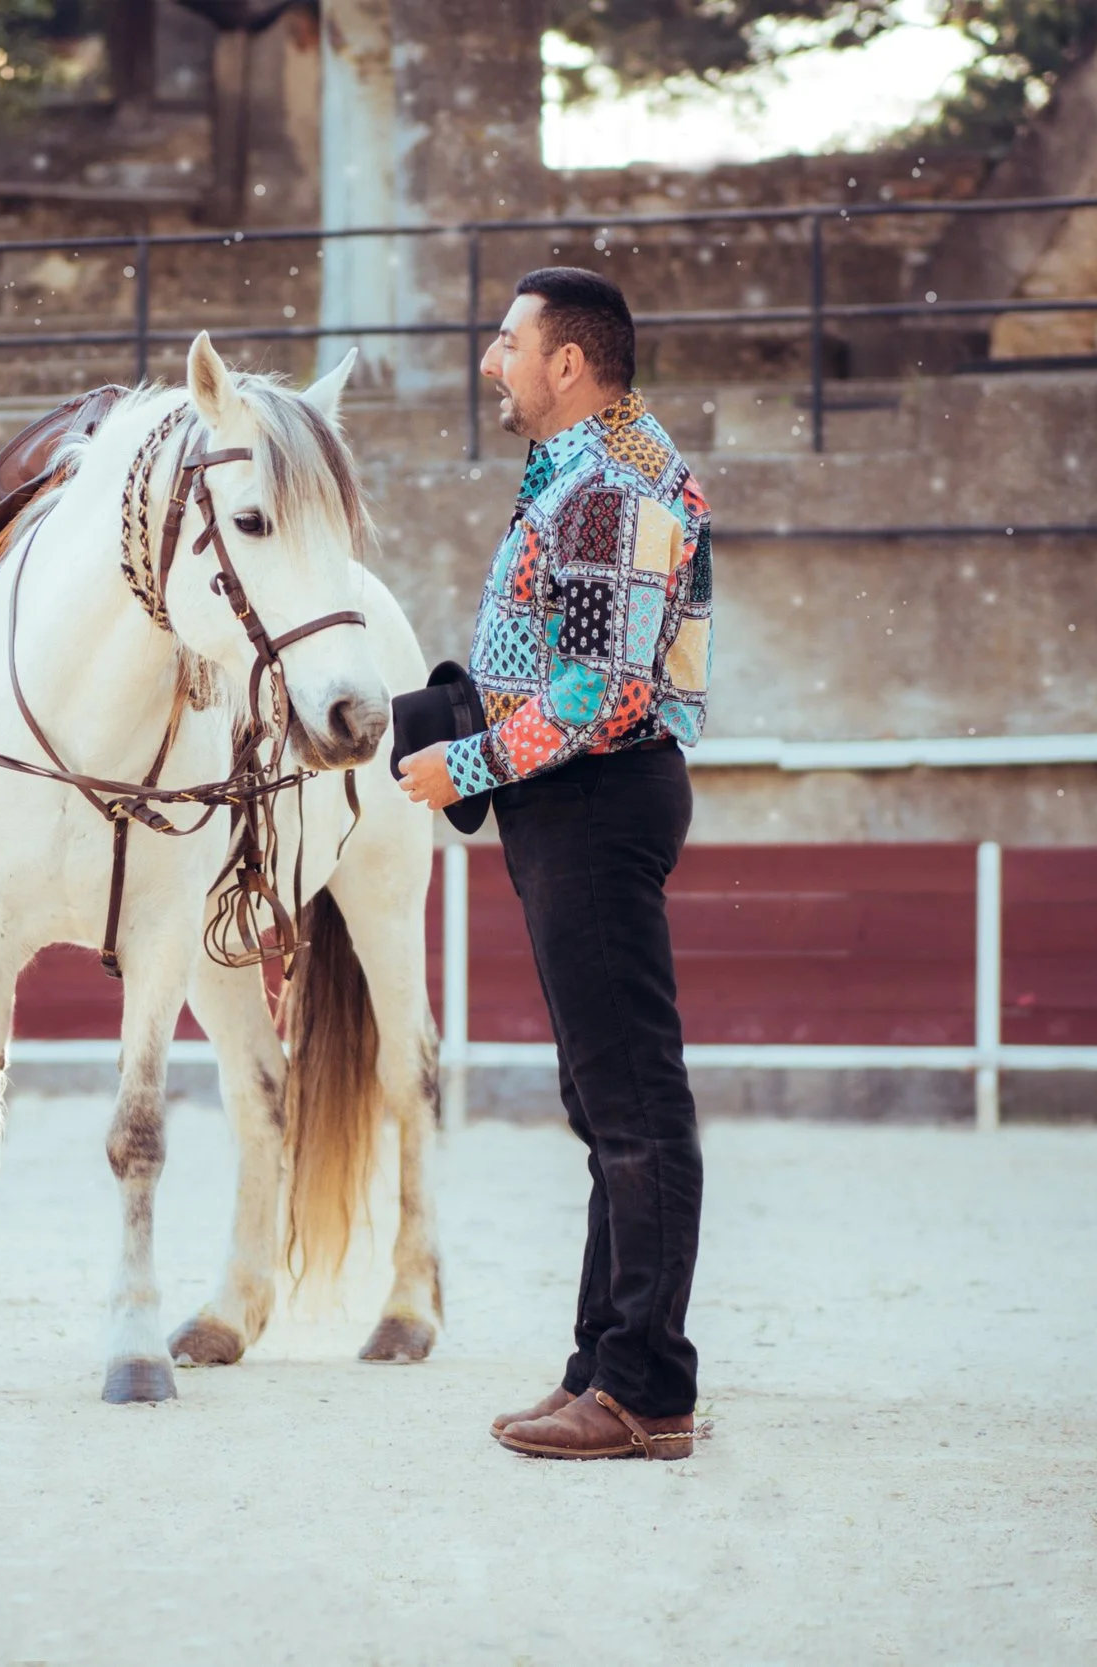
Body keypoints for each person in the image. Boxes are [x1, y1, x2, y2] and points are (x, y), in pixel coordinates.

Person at [395, 269, 714, 1461]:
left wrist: (463, 764)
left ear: (567, 364)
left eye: (507, 341)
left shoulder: (606, 487)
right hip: (577, 793)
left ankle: (646, 1388)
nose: (491, 361)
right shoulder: (593, 474)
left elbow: (596, 694)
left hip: (588, 794)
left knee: (632, 1103)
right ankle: (602, 1363)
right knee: (606, 1103)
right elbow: (554, 671)